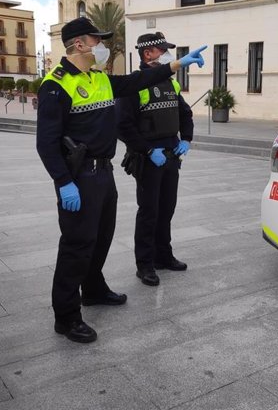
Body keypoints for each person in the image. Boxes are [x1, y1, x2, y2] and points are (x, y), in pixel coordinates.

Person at [36, 17, 206, 343]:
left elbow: (134, 82)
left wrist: (178, 64)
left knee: (101, 238)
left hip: (104, 173)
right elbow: (46, 143)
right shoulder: (56, 85)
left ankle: (94, 290)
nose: (103, 46)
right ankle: (67, 316)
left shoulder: (98, 78)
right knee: (76, 246)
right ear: (79, 44)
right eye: (96, 40)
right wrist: (63, 182)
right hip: (79, 177)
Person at [117, 33, 194, 287]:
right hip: (149, 158)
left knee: (167, 209)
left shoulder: (170, 83)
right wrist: (148, 150)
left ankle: (164, 255)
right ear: (147, 53)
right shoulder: (134, 85)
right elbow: (123, 125)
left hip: (171, 155)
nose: (167, 55)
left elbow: (185, 112)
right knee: (149, 212)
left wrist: (187, 139)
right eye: (162, 50)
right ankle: (145, 264)